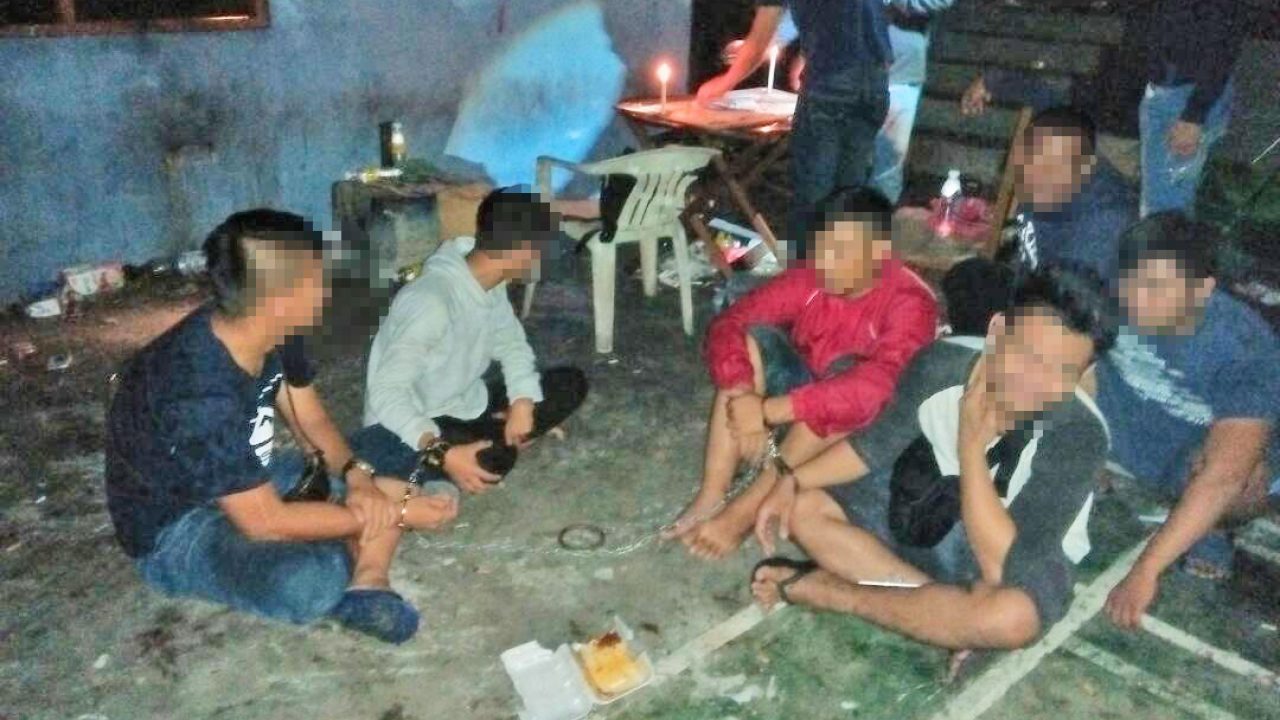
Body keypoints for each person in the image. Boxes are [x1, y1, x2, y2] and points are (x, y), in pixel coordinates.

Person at [105, 210, 458, 644]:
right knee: (307, 582)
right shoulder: (194, 389)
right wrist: (394, 512)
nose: (328, 289)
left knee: (391, 463)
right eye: (319, 279)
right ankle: (351, 548)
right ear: (281, 298)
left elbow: (310, 419)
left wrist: (356, 477)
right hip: (177, 524)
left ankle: (368, 579)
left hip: (246, 475)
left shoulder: (275, 329)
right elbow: (265, 522)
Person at [750, 264, 1117, 655]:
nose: (1034, 381)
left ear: (1083, 375)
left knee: (1012, 618)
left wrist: (971, 443)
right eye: (1027, 354)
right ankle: (941, 613)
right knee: (802, 510)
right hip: (930, 505)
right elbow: (872, 447)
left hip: (1016, 543)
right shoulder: (942, 365)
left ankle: (836, 594)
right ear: (996, 331)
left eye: (1061, 371)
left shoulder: (1080, 436)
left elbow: (1002, 569)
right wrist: (791, 480)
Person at [666, 187, 937, 559]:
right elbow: (730, 324)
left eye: (839, 251)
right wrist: (744, 396)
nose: (824, 262)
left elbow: (876, 389)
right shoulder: (812, 277)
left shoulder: (911, 302)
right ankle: (711, 495)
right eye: (819, 247)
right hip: (797, 407)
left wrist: (767, 411)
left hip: (858, 436)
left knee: (848, 380)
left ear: (879, 252)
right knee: (749, 339)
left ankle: (742, 513)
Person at [1095, 212, 1280, 629]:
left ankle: (1209, 529)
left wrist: (1146, 570)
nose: (1135, 298)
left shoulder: (1247, 349)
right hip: (1127, 426)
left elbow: (1224, 475)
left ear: (1202, 290)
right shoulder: (1106, 293)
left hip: (1189, 457)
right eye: (1129, 280)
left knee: (1242, 481)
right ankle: (1091, 465)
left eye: (1155, 287)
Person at [354, 188, 588, 494]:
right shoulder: (431, 301)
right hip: (411, 422)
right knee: (493, 460)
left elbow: (512, 345)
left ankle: (500, 430)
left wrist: (522, 401)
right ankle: (490, 441)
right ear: (520, 249)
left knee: (571, 383)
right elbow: (386, 394)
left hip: (466, 400)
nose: (546, 254)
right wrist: (442, 452)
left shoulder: (490, 279)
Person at [695, 0, 892, 254]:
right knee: (848, 194)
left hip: (830, 87)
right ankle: (842, 271)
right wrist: (807, 55)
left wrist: (722, 83)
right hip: (875, 84)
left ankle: (802, 273)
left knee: (813, 196)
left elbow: (759, 41)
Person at [941, 107, 1137, 335]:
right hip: (1040, 293)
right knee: (968, 277)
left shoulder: (1107, 223)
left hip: (1080, 326)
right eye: (1032, 160)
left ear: (1087, 167)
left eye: (1056, 165)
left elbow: (1073, 314)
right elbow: (1026, 262)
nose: (1040, 175)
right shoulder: (1038, 185)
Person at [1137, 0, 1244, 218]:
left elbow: (1223, 44)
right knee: (1161, 202)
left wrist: (1194, 114)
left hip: (1186, 95)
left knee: (1164, 208)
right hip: (1172, 91)